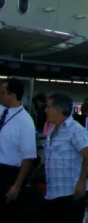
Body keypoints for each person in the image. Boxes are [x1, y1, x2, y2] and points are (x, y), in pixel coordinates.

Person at [41, 93, 88, 222]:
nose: (45, 110)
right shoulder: (52, 130)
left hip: (70, 193)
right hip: (53, 193)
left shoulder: (75, 130)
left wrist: (82, 181)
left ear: (58, 110)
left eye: (48, 107)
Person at [0, 78, 37, 218]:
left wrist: (17, 185)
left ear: (12, 95)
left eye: (2, 93)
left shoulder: (25, 122)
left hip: (8, 173)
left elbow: (28, 157)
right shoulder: (2, 111)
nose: (0, 95)